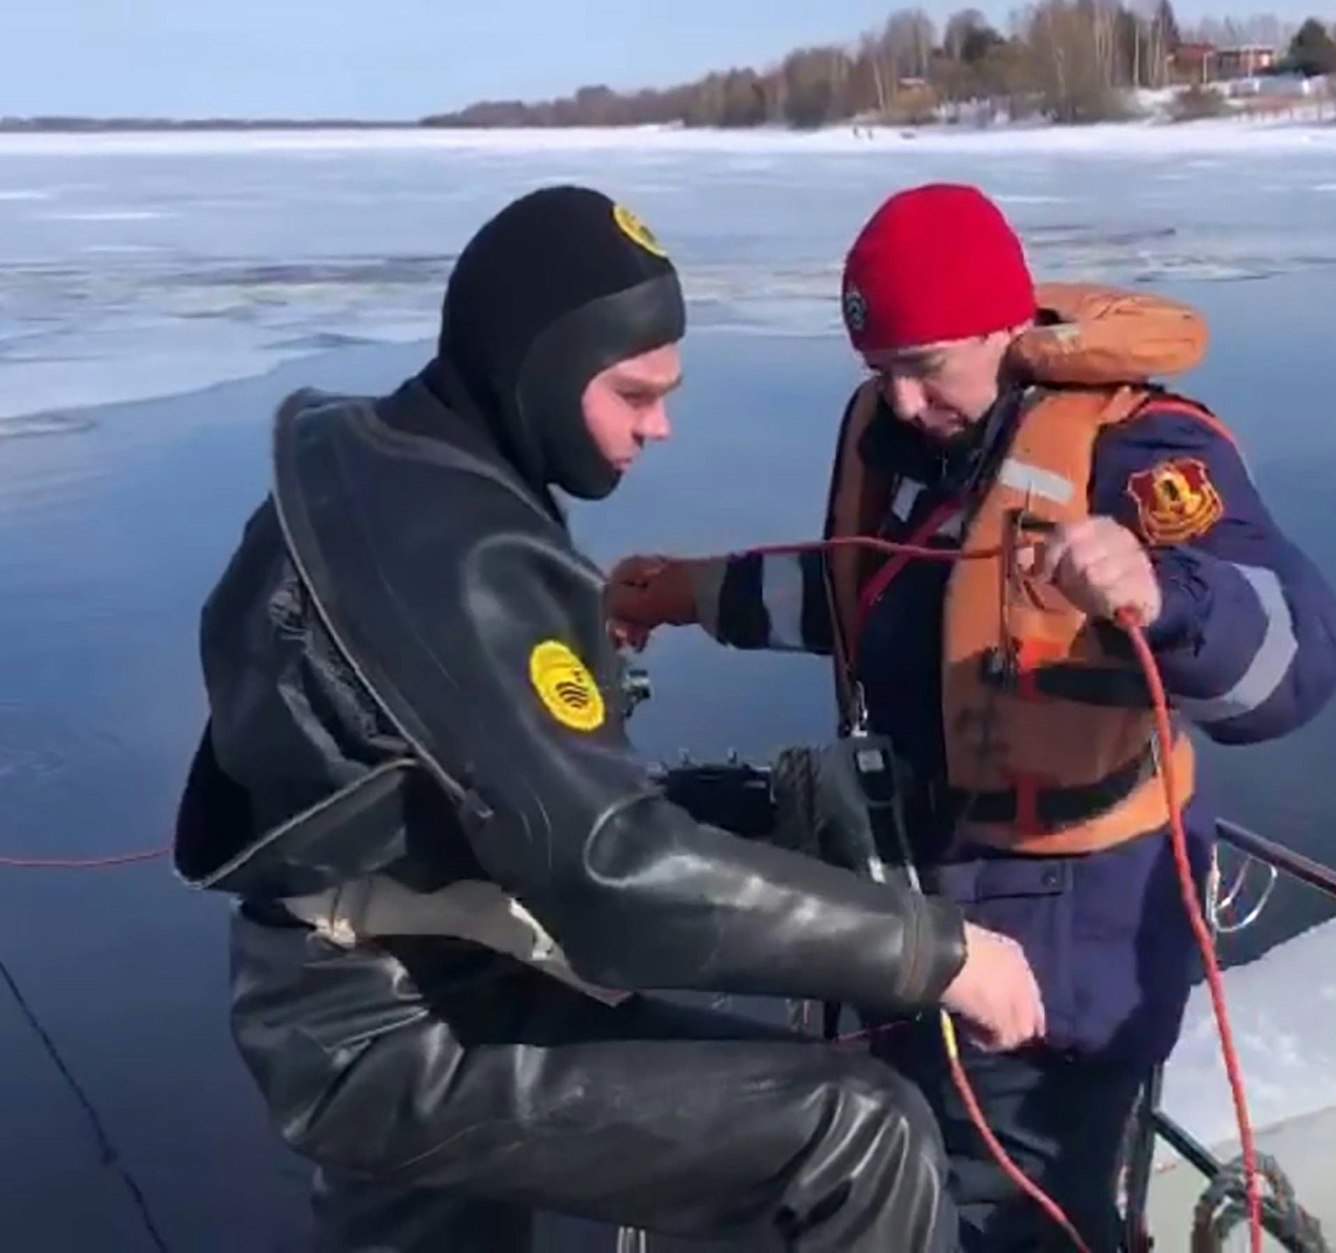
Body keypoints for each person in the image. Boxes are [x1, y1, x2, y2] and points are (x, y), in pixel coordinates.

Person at [169, 184, 1050, 1253]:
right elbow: (608, 878)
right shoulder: (459, 552)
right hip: (399, 1021)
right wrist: (937, 952)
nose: (659, 425)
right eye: (633, 391)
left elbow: (475, 786)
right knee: (858, 1132)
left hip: (352, 973)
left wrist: (720, 814)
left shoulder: (393, 462)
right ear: (542, 369)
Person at [604, 183, 1336, 1252]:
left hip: (1073, 916)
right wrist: (685, 592)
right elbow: (875, 598)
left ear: (1004, 325)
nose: (902, 400)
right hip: (923, 886)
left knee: (1016, 1205)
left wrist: (1162, 593)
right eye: (881, 370)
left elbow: (1296, 662)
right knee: (907, 1165)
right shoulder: (904, 439)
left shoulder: (1135, 450)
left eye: (924, 365)